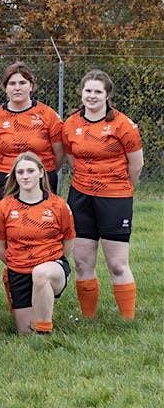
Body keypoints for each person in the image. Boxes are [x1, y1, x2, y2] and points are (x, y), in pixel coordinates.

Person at [62, 69, 144, 320]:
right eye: (88, 91)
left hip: (115, 198)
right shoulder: (71, 123)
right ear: (81, 93)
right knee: (83, 263)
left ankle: (127, 321)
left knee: (117, 264)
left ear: (108, 95)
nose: (92, 96)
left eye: (98, 91)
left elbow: (136, 164)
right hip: (81, 197)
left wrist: (119, 189)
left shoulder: (123, 125)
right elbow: (71, 159)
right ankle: (88, 318)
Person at [0, 152, 75, 334]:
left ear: (41, 173)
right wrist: (18, 262)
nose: (25, 176)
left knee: (40, 273)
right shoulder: (4, 207)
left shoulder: (58, 205)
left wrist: (51, 260)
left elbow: (68, 242)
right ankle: (34, 303)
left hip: (52, 268)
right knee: (25, 331)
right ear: (15, 176)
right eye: (20, 172)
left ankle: (44, 333)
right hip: (18, 270)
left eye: (30, 171)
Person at [0, 61, 64, 202]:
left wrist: (41, 172)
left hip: (42, 179)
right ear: (5, 88)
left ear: (31, 86)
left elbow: (58, 154)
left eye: (22, 83)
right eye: (12, 83)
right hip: (6, 179)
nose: (17, 88)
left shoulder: (47, 114)